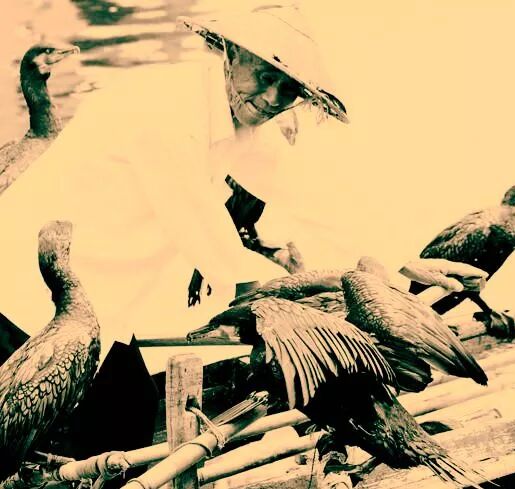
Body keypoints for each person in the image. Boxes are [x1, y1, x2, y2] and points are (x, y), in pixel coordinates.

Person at [0, 5, 348, 369]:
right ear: (232, 54)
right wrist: (278, 303)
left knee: (132, 397)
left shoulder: (243, 120)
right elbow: (199, 223)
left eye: (289, 90)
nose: (273, 99)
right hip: (27, 292)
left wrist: (346, 273)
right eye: (264, 77)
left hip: (102, 304)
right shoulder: (167, 107)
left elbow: (301, 197)